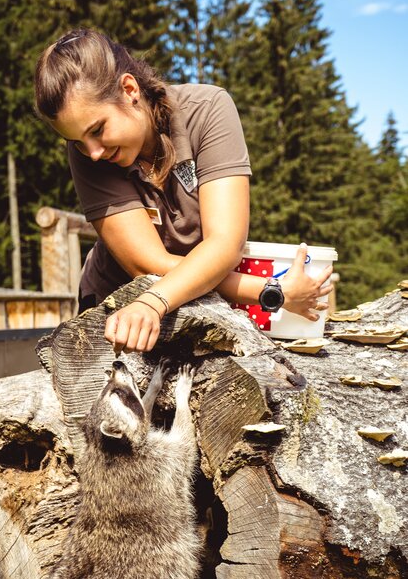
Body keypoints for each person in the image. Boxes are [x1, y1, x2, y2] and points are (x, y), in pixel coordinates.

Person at [34, 28, 332, 354]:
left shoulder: (208, 110)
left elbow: (225, 244)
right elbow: (146, 264)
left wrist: (159, 301)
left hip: (194, 302)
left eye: (97, 130)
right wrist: (268, 291)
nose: (91, 152)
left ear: (129, 88)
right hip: (116, 310)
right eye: (77, 141)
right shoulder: (89, 153)